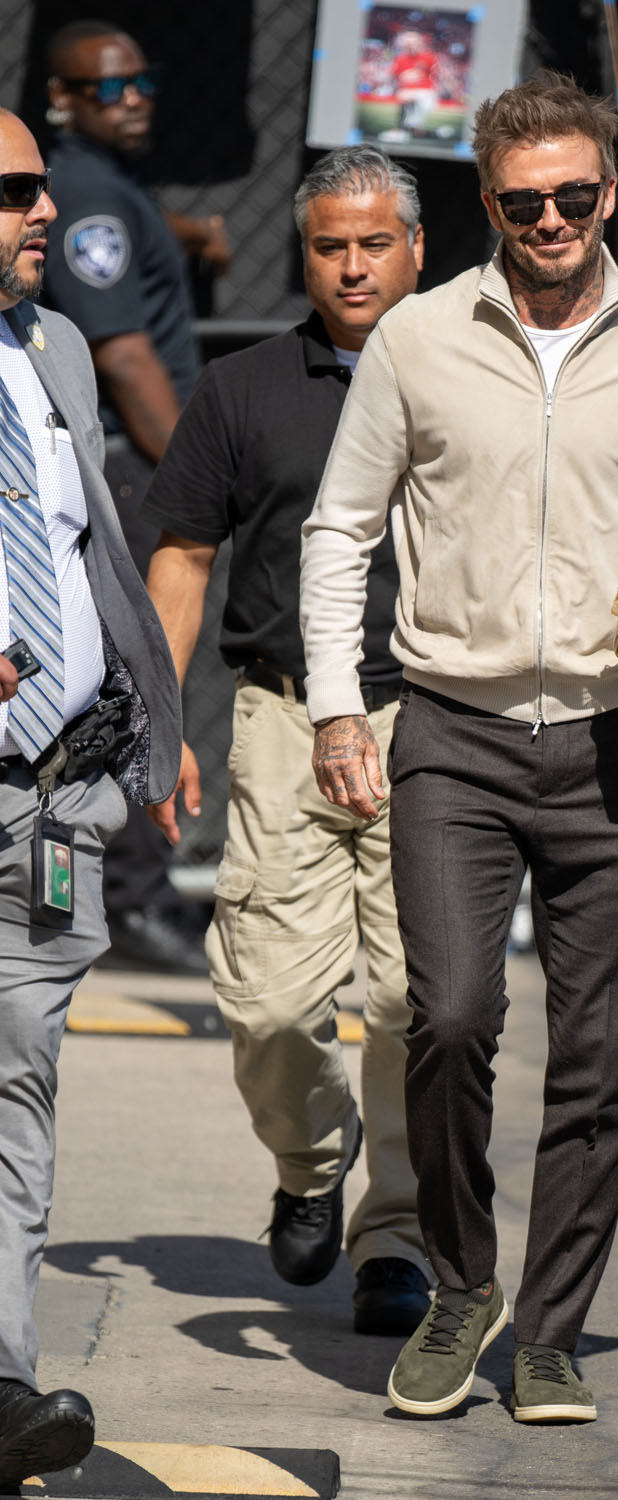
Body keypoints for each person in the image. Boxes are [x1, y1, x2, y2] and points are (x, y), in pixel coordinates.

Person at [299, 72, 618, 1422]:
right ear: (489, 206)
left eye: (573, 196)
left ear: (608, 192)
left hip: (616, 742)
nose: (552, 220)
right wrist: (338, 704)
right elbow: (340, 528)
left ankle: (551, 1334)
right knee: (445, 1016)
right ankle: (462, 1289)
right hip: (453, 732)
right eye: (524, 204)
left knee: (597, 1057)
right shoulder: (417, 339)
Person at [141, 146, 431, 1335]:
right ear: (303, 255)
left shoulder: (472, 374)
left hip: (433, 721)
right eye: (330, 246)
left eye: (375, 243)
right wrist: (160, 720)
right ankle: (314, 1160)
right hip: (283, 721)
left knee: (416, 999)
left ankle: (397, 1237)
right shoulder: (241, 388)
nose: (354, 266)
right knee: (265, 1002)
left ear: (419, 249)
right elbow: (182, 557)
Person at [0, 107, 180, 1481]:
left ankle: (4, 1386)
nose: (46, 211)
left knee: (18, 1094)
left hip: (54, 801)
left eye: (40, 189)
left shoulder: (52, 345)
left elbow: (91, 550)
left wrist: (149, 726)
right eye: (15, 191)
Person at [41, 18, 230, 974]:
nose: (135, 100)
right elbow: (120, 354)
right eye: (110, 88)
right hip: (131, 466)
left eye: (143, 82)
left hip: (133, 467)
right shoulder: (83, 193)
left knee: (138, 676)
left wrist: (188, 233)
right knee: (138, 680)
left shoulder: (104, 186)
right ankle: (136, 899)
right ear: (63, 100)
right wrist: (202, 473)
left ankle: (129, 892)